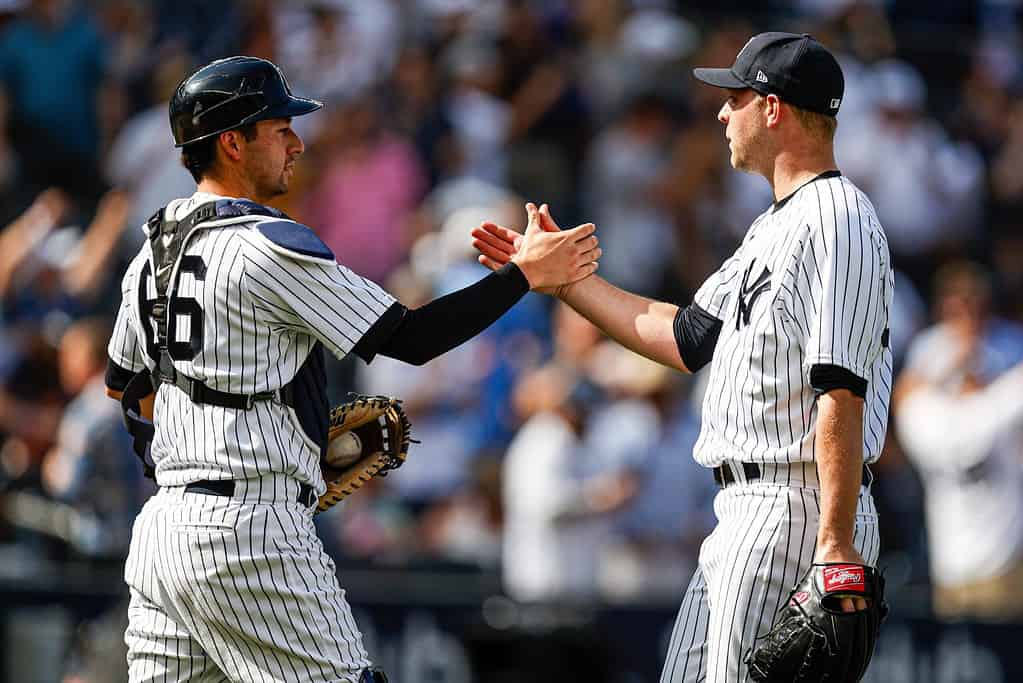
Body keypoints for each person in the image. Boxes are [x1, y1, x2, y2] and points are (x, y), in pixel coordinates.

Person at [102, 55, 599, 683]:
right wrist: (525, 275)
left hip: (163, 532)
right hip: (248, 533)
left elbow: (126, 387)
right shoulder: (267, 244)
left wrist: (197, 464)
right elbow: (413, 339)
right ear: (232, 143)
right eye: (278, 128)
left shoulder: (151, 252)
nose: (296, 143)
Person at [473, 32, 893, 682]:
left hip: (793, 506)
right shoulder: (771, 227)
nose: (721, 114)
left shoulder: (837, 216)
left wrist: (833, 544)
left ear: (773, 108)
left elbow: (839, 387)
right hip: (745, 509)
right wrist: (563, 281)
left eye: (734, 98)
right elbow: (686, 334)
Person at [894, 262, 1023, 620]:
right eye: (957, 303)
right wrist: (956, 372)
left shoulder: (1012, 344)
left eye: (974, 302)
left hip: (1007, 538)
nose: (966, 312)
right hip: (951, 540)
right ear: (944, 306)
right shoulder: (930, 349)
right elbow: (905, 397)